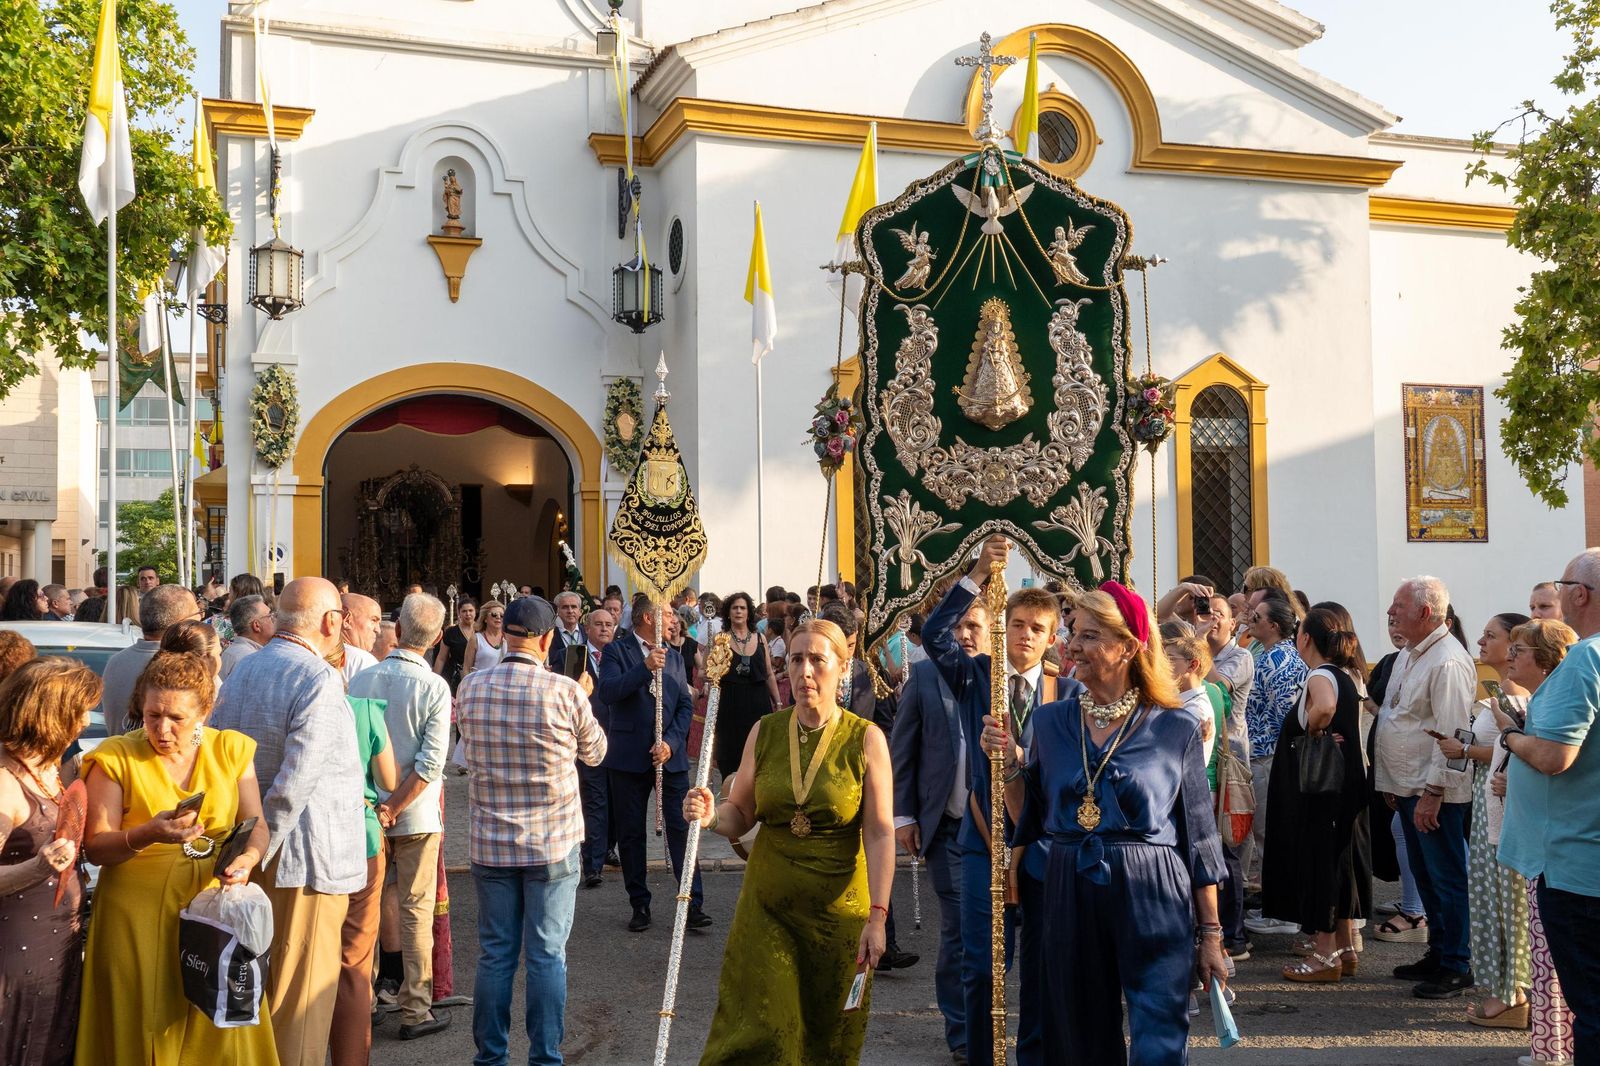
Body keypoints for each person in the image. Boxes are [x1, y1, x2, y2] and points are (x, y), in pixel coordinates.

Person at [986, 581, 1228, 1064]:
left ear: (1129, 647)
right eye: (1074, 632)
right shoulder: (1051, 723)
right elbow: (1027, 818)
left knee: (1158, 1029)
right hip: (1068, 883)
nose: (1072, 645)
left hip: (1153, 890)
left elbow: (1200, 840)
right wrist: (1009, 764)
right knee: (1075, 1029)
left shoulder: (1174, 726)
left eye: (1091, 635)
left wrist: (1213, 934)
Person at [686, 618, 893, 1064]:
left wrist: (878, 917)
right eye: (797, 659)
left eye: (818, 660)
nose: (804, 672)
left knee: (827, 1037)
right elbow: (740, 814)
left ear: (842, 667)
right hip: (768, 910)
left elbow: (878, 831)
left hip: (838, 917)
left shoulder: (866, 739)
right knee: (763, 1032)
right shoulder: (766, 731)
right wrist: (709, 817)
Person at [77, 651, 275, 1065]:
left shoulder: (231, 749)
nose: (162, 729)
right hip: (136, 915)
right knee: (143, 1027)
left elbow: (256, 823)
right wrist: (148, 833)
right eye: (152, 715)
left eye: (176, 719)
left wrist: (249, 858)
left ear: (204, 711)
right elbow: (96, 846)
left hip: (212, 915)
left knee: (215, 1024)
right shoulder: (115, 756)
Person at [210, 577, 368, 1066]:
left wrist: (248, 848)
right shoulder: (315, 677)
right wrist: (261, 845)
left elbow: (221, 760)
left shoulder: (244, 668)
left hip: (258, 853)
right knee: (298, 1004)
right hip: (302, 860)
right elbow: (296, 780)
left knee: (266, 993)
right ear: (330, 621)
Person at [922, 536, 1064, 1066]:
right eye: (1018, 624)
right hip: (982, 839)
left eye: (1037, 629)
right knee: (981, 964)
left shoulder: (1064, 693)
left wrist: (1024, 755)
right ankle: (982, 1055)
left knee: (1041, 963)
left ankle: (1032, 1055)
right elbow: (936, 634)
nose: (1025, 636)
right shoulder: (976, 675)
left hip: (1045, 845)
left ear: (1052, 638)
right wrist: (977, 573)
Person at [456, 596, 606, 1066]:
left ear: (507, 636)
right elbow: (596, 753)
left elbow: (466, 747)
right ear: (545, 640)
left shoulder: (473, 686)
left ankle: (491, 1057)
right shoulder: (564, 692)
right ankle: (545, 1057)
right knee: (545, 955)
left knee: (496, 954)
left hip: (491, 840)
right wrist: (583, 696)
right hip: (552, 842)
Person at [1499, 552, 1600, 1063]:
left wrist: (1513, 738)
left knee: (1594, 1011)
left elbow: (1556, 756)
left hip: (1576, 864)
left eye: (1561, 587)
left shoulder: (1587, 657)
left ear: (1578, 594)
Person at [890, 595, 988, 1063]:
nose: (965, 634)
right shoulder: (927, 677)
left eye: (975, 625)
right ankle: (963, 1032)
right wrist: (904, 815)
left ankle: (1002, 1014)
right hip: (949, 828)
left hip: (1005, 833)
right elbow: (903, 748)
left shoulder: (1003, 678)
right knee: (960, 929)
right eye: (958, 627)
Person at [356, 593, 454, 1041]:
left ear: (396, 632)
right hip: (412, 814)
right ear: (435, 638)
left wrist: (379, 804)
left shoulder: (362, 678)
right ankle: (416, 1008)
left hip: (368, 811)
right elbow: (431, 763)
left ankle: (367, 1000)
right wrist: (395, 806)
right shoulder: (433, 686)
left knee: (367, 906)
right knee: (414, 912)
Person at [1377, 576, 1479, 999]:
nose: (1391, 612)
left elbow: (1453, 735)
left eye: (1398, 605)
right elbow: (1401, 716)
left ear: (1424, 612)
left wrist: (1434, 793)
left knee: (1446, 877)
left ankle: (1457, 964)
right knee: (1425, 874)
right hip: (1408, 785)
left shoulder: (1448, 661)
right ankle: (1438, 953)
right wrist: (1392, 782)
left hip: (1431, 791)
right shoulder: (1412, 652)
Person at [1260, 607, 1372, 982]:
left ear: (1304, 638)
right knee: (1339, 861)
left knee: (1321, 860)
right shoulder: (1348, 672)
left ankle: (1325, 953)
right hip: (1344, 781)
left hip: (1321, 785)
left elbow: (1323, 706)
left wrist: (1313, 728)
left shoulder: (1320, 674)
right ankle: (1344, 945)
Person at [0, 658, 98, 1066]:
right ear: (52, 716)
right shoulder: (5, 781)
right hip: (16, 952)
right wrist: (37, 868)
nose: (87, 724)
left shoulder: (50, 768)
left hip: (57, 944)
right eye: (80, 712)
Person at [1438, 612, 1533, 1026]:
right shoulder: (1501, 689)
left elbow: (1513, 748)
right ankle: (1506, 990)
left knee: (1504, 904)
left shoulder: (1515, 695)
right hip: (1488, 808)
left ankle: (1513, 994)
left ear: (1514, 645)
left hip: (1502, 813)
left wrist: (1464, 753)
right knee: (1493, 900)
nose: (1480, 641)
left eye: (1491, 636)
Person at [1496, 618, 1580, 1066]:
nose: (1511, 656)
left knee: (1550, 960)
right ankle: (1552, 1046)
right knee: (1548, 955)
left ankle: (1550, 1051)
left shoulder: (1553, 696)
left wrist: (1511, 735)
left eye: (1520, 650)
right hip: (1542, 847)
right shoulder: (1545, 696)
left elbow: (1551, 758)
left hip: (1555, 851)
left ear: (1547, 659)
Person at [598, 599, 710, 932]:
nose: (675, 619)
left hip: (668, 759)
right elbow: (608, 693)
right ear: (649, 618)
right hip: (629, 757)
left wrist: (672, 744)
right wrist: (643, 667)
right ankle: (640, 904)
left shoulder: (675, 657)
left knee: (681, 828)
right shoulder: (617, 652)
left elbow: (684, 708)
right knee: (632, 833)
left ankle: (692, 902)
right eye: (668, 613)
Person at [331, 680, 397, 1065]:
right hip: (360, 834)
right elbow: (388, 780)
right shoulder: (365, 709)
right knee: (354, 959)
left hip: (305, 837)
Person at [1240, 590, 1306, 922]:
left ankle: (1280, 913)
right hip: (1265, 754)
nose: (1251, 620)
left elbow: (1285, 715)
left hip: (1270, 755)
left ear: (1275, 625)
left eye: (1257, 617)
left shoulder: (1280, 660)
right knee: (1266, 833)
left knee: (1271, 834)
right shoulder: (1269, 655)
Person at [102, 585, 199, 731]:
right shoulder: (186, 666)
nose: (201, 619)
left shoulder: (115, 662)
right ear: (183, 622)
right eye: (198, 613)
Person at [714, 592, 782, 779]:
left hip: (758, 703)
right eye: (734, 608)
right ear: (728, 613)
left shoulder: (760, 638)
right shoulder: (721, 640)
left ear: (749, 613)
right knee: (731, 758)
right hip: (730, 704)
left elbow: (768, 673)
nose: (738, 611)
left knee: (759, 755)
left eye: (742, 608)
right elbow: (706, 671)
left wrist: (777, 703)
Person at [578, 608, 618, 888]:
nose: (604, 629)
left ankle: (605, 847)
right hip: (588, 739)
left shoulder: (620, 655)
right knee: (595, 801)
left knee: (615, 803)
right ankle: (592, 865)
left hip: (618, 741)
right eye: (599, 624)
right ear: (588, 628)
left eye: (609, 624)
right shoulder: (575, 656)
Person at [220, 594, 276, 680]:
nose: (274, 620)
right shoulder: (250, 659)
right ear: (256, 625)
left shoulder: (233, 652)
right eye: (269, 616)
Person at [337, 593, 383, 684]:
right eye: (373, 620)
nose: (378, 630)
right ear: (346, 620)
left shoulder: (314, 653)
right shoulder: (363, 661)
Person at [433, 598, 476, 693]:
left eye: (470, 610)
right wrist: (434, 680)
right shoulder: (451, 632)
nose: (468, 614)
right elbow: (441, 658)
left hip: (478, 674)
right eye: (464, 611)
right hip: (457, 676)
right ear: (459, 613)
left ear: (475, 611)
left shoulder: (482, 631)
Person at [159, 619, 224, 680]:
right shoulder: (214, 688)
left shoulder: (154, 684)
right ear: (204, 659)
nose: (219, 659)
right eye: (219, 654)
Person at [461, 601, 506, 676]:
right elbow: (466, 668)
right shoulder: (476, 639)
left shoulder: (509, 638)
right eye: (494, 614)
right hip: (480, 685)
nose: (498, 617)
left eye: (502, 615)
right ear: (485, 619)